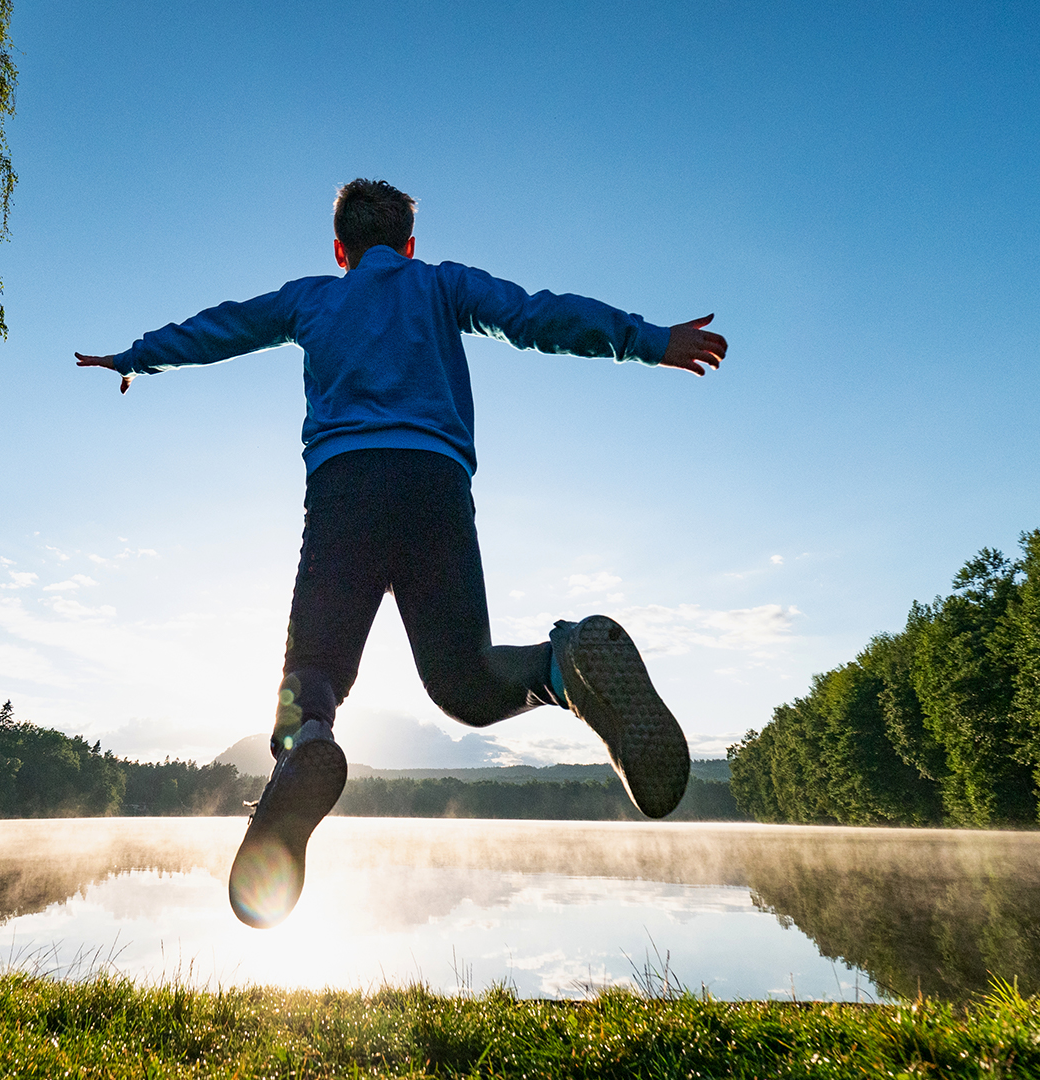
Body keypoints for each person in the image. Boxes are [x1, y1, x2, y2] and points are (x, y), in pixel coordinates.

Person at [75, 178, 728, 928]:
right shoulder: (444, 287)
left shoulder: (312, 299)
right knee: (465, 683)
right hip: (435, 490)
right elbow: (538, 316)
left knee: (311, 677)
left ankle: (308, 745)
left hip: (345, 494)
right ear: (410, 244)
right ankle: (562, 665)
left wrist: (137, 356)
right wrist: (646, 340)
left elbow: (222, 328)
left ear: (339, 249)